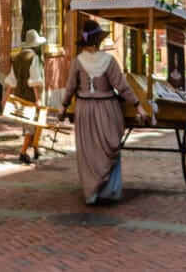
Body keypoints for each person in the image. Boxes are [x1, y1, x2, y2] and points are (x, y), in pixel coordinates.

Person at [58, 19, 147, 205]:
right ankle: (109, 190)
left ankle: (91, 192)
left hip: (84, 109)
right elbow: (122, 87)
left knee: (87, 150)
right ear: (98, 40)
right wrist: (138, 105)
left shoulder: (77, 62)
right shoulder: (109, 61)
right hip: (106, 107)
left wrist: (63, 106)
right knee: (109, 145)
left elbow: (70, 87)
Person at [3, 28, 47, 164]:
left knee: (34, 123)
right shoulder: (33, 58)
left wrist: (6, 96)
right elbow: (33, 81)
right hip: (30, 97)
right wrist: (38, 99)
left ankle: (35, 148)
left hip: (19, 96)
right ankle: (23, 152)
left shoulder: (18, 58)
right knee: (31, 125)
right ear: (35, 45)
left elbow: (12, 79)